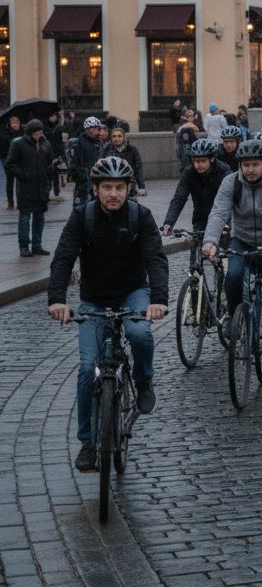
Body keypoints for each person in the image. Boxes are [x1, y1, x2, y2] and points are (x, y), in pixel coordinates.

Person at [48, 157, 169, 472]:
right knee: (88, 369)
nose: (113, 193)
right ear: (95, 189)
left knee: (140, 334)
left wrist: (158, 299)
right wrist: (56, 300)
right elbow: (63, 258)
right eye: (106, 187)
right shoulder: (82, 217)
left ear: (128, 188)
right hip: (94, 301)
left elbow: (156, 258)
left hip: (133, 293)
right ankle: (88, 443)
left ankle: (144, 382)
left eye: (119, 187)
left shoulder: (141, 217)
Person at [202, 138, 262, 372]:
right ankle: (234, 317)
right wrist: (211, 241)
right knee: (232, 276)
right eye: (245, 165)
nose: (250, 170)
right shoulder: (231, 183)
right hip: (241, 240)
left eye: (255, 164)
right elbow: (218, 212)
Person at [161, 138, 231, 240]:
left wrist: (227, 222)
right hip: (200, 219)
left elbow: (230, 198)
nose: (199, 165)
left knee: (223, 252)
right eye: (196, 161)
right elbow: (179, 199)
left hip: (222, 219)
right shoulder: (189, 172)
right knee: (196, 251)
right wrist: (169, 223)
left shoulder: (224, 171)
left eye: (203, 161)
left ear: (211, 159)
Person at [6, 119, 54, 255]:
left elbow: (50, 162)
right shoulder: (19, 144)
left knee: (40, 217)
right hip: (26, 187)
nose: (40, 134)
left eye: (41, 131)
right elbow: (10, 164)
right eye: (37, 131)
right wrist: (23, 175)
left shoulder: (46, 144)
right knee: (25, 217)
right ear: (30, 133)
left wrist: (53, 168)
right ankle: (24, 246)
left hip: (42, 187)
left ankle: (37, 245)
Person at [68, 117, 105, 208]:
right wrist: (85, 176)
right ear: (87, 130)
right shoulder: (79, 144)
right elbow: (73, 166)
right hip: (85, 187)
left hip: (100, 184)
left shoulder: (102, 143)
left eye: (97, 128)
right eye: (92, 128)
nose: (96, 131)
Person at [99, 125, 146, 197]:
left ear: (124, 137)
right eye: (114, 136)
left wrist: (141, 187)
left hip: (129, 187)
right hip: (112, 187)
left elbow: (138, 168)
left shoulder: (132, 149)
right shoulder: (106, 150)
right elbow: (101, 168)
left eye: (119, 136)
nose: (116, 138)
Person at [0, 114, 22, 209]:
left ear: (19, 123)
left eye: (16, 122)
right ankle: (10, 203)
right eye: (12, 123)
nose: (14, 124)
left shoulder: (23, 133)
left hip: (20, 160)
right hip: (7, 160)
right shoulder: (5, 133)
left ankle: (20, 201)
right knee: (9, 181)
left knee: (20, 182)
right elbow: (2, 147)